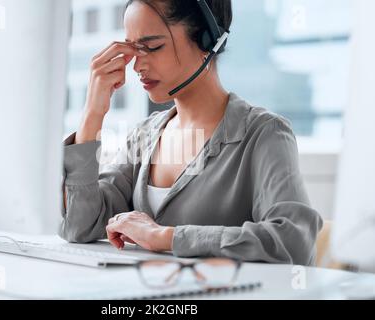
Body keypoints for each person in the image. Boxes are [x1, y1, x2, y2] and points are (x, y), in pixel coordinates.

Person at [59, 0, 323, 265]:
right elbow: (81, 225)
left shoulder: (264, 134)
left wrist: (167, 237)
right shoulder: (143, 136)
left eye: (152, 47)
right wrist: (93, 114)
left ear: (208, 40)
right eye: (134, 50)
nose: (138, 66)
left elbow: (295, 242)